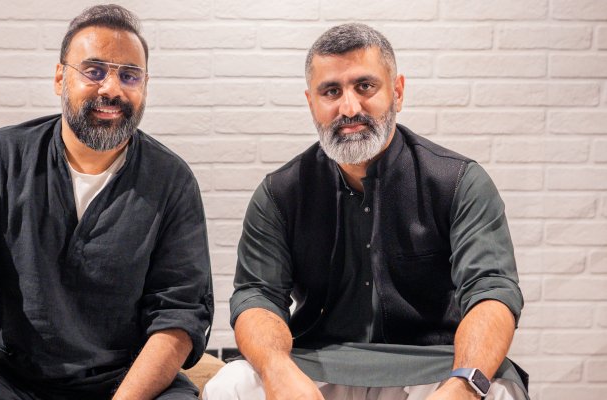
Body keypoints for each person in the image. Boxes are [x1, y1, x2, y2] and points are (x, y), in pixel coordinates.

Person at [203, 23, 528, 400]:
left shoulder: (459, 182)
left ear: (398, 92)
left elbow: (492, 291)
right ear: (312, 103)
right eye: (331, 91)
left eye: (364, 86)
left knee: (496, 393)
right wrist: (277, 370)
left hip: (432, 367)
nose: (349, 107)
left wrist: (464, 385)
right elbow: (256, 297)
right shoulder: (279, 193)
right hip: (318, 366)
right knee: (228, 386)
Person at [0, 5, 213, 400]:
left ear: (145, 87)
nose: (112, 89)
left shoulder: (171, 180)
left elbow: (180, 311)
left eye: (129, 75)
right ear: (59, 78)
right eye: (95, 71)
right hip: (10, 376)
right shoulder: (2, 157)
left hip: (125, 380)